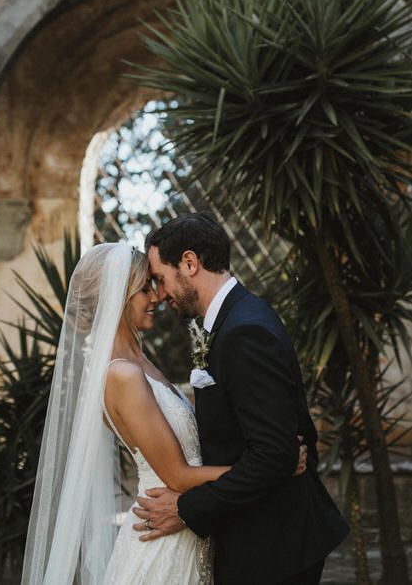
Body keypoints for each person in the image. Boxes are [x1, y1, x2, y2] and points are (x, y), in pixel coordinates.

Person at [21, 241, 307, 585]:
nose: (156, 298)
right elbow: (179, 476)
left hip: (186, 529)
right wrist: (276, 464)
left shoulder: (139, 364)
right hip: (161, 540)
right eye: (144, 289)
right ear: (117, 297)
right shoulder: (121, 375)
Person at [134, 213, 349, 584]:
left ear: (190, 263)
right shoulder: (235, 320)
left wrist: (187, 508)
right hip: (258, 536)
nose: (161, 294)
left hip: (272, 548)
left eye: (160, 278)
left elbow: (273, 456)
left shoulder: (244, 331)